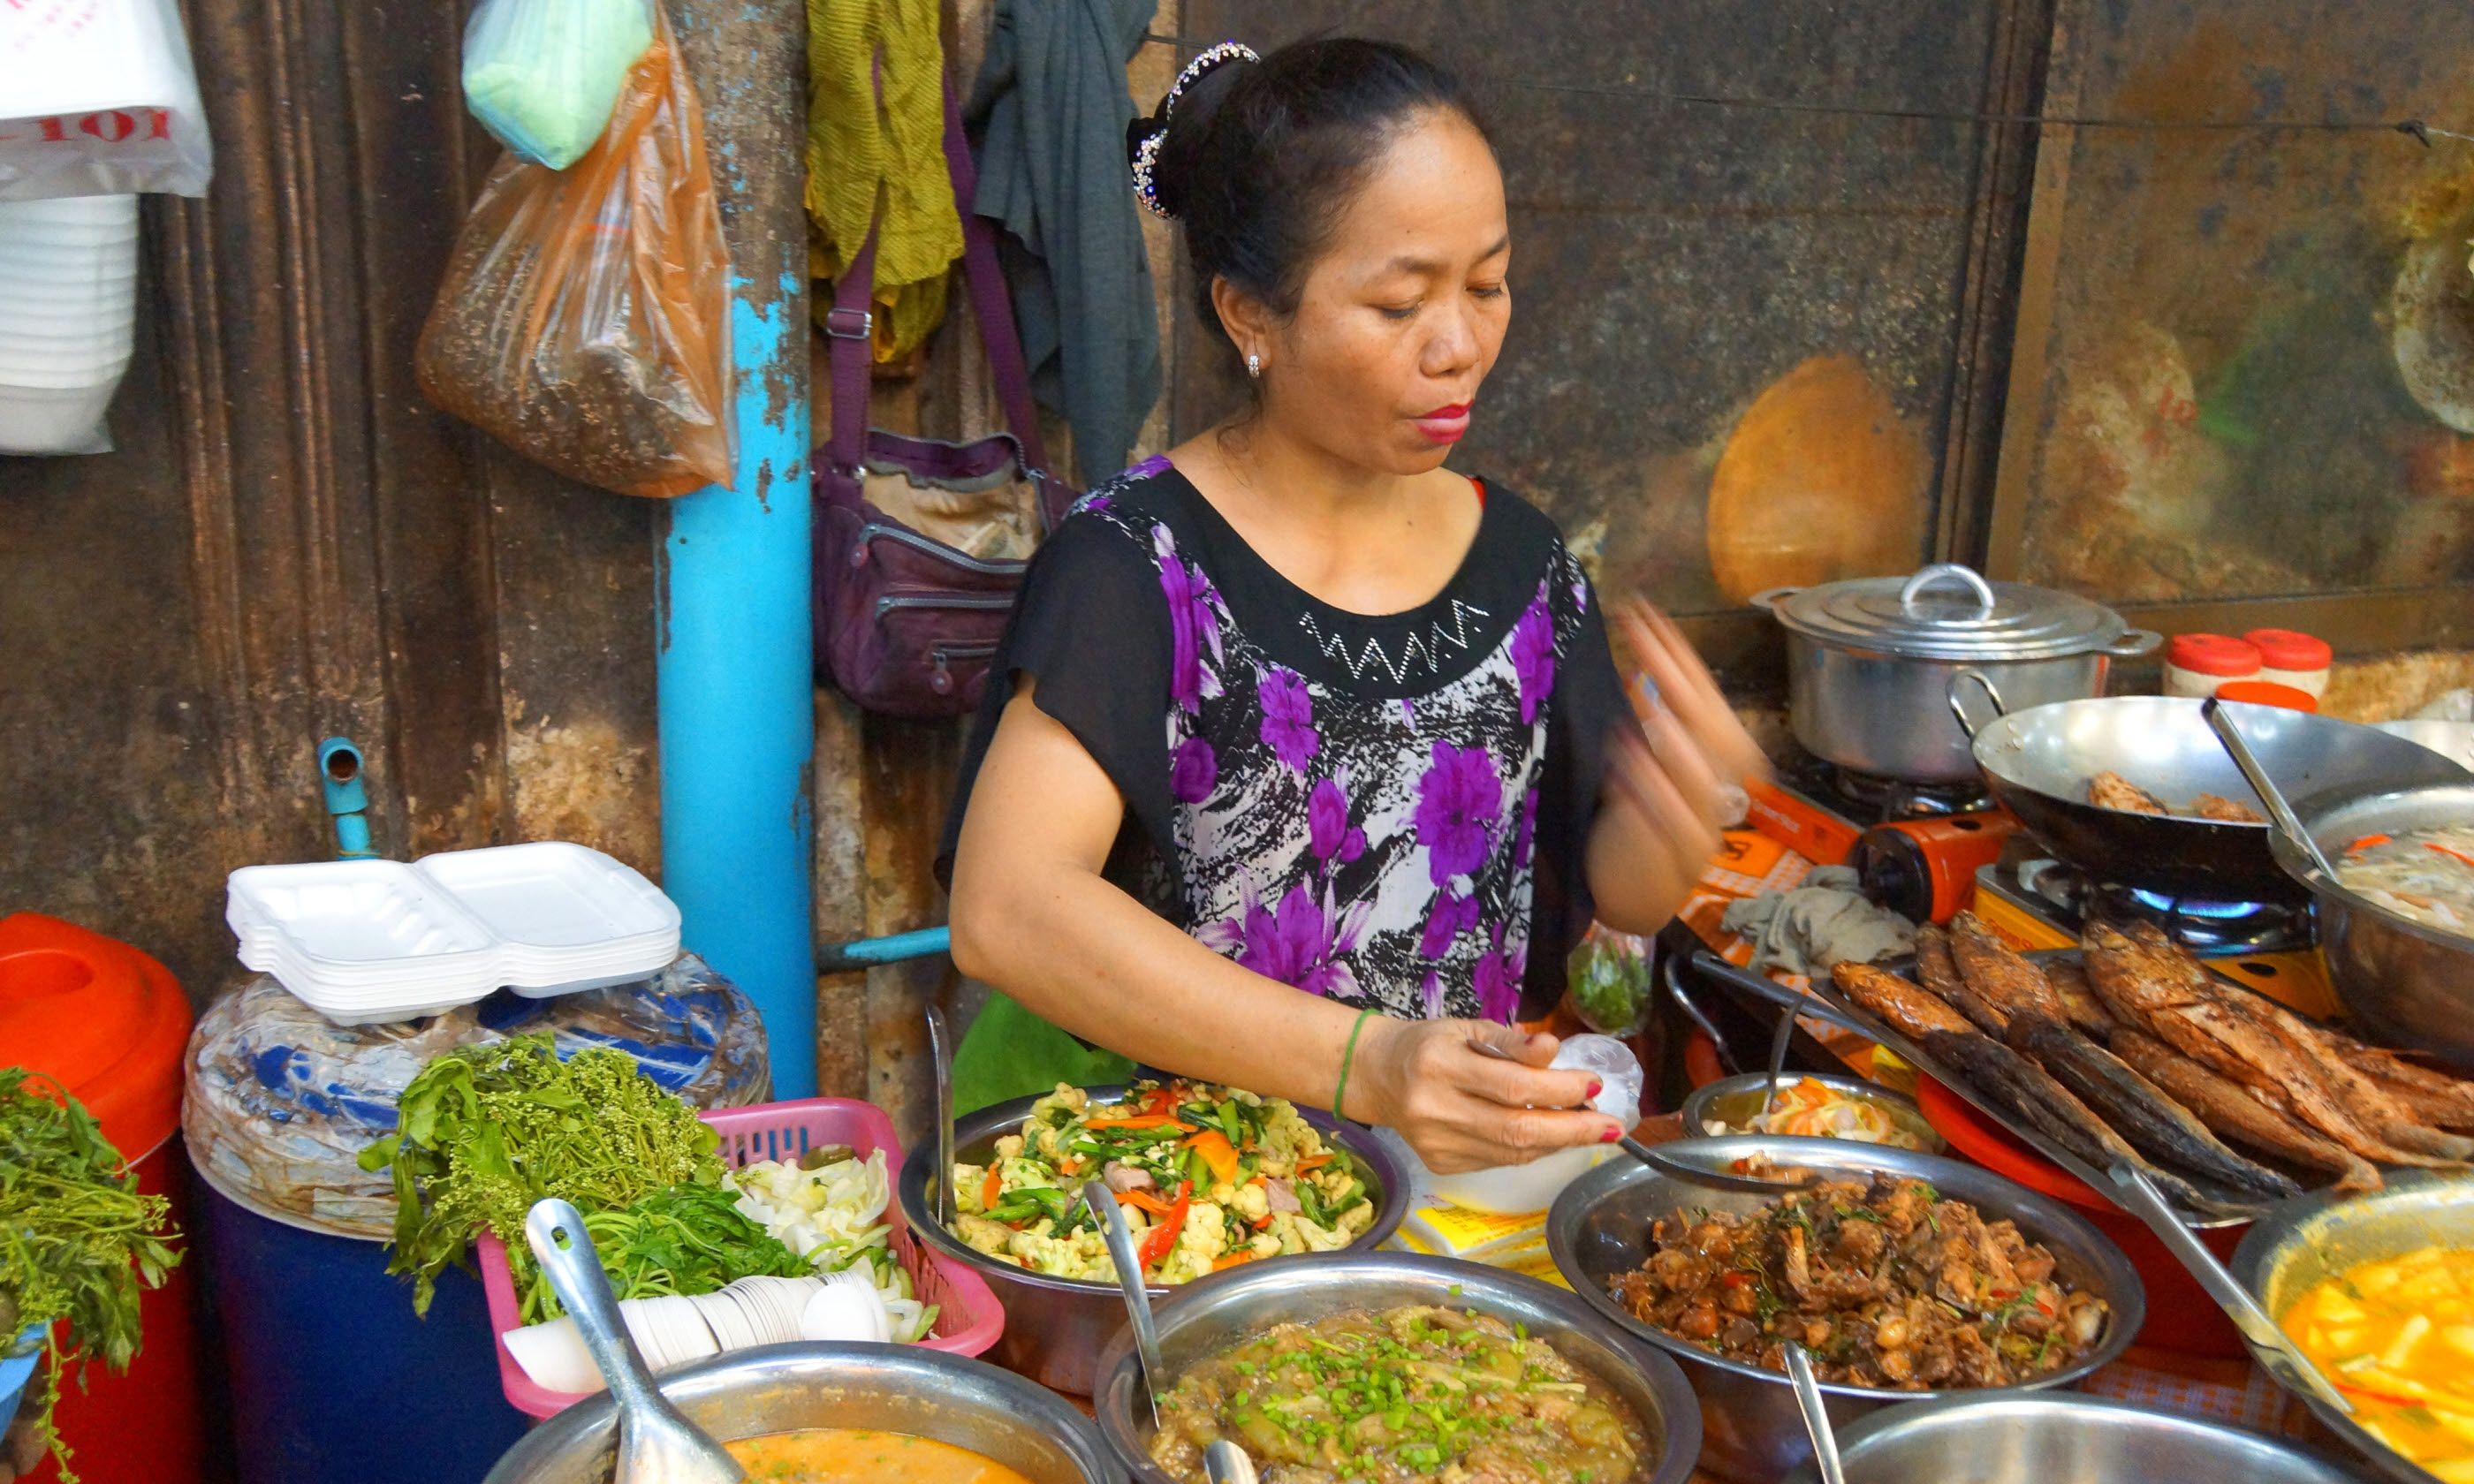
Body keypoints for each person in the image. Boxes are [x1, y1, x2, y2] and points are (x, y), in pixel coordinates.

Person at [943, 36, 1766, 1174]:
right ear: (1250, 317)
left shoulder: (1525, 567)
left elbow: (1594, 887)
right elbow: (1008, 908)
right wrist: (1367, 1065)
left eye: (1488, 284)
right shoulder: (1139, 563)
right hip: (1171, 1204)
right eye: (1398, 305)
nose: (1462, 346)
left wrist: (1671, 824)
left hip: (1438, 1200)